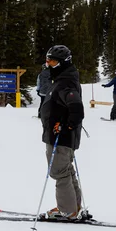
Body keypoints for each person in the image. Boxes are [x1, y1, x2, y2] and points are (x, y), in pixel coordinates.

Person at [39, 45, 86, 220]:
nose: (48, 64)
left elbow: (77, 109)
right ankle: (74, 206)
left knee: (59, 171)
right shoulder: (62, 79)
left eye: (51, 61)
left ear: (62, 63)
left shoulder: (66, 83)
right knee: (66, 170)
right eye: (47, 60)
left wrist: (66, 127)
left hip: (60, 137)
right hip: (59, 135)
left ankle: (68, 210)